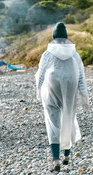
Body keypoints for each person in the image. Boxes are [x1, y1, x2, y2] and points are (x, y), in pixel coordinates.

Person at [35, 22, 89, 172]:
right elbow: (81, 77)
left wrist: (38, 89)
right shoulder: (75, 55)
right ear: (66, 39)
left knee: (52, 122)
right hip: (70, 90)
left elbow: (40, 74)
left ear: (54, 38)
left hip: (51, 91)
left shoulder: (48, 53)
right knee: (68, 119)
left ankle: (56, 160)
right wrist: (84, 96)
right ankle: (66, 156)